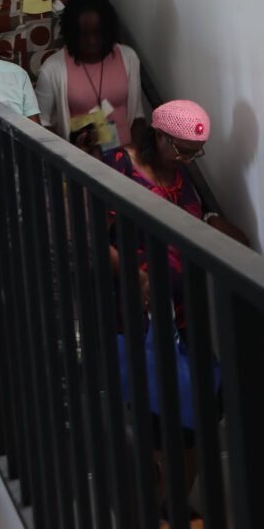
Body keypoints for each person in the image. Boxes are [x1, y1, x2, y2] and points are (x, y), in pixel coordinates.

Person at [108, 101, 248, 514]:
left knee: (197, 419)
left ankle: (173, 508)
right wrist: (133, 274)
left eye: (195, 152)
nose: (189, 159)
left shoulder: (183, 182)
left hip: (182, 325)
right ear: (161, 137)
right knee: (159, 426)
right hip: (136, 323)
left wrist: (210, 223)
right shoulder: (119, 164)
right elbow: (90, 234)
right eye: (184, 150)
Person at [36, 0, 144, 155]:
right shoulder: (52, 69)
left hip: (125, 161)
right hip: (82, 163)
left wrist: (134, 157)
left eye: (97, 33)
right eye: (83, 34)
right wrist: (69, 155)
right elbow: (42, 122)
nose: (91, 41)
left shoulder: (128, 58)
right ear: (71, 33)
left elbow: (138, 116)